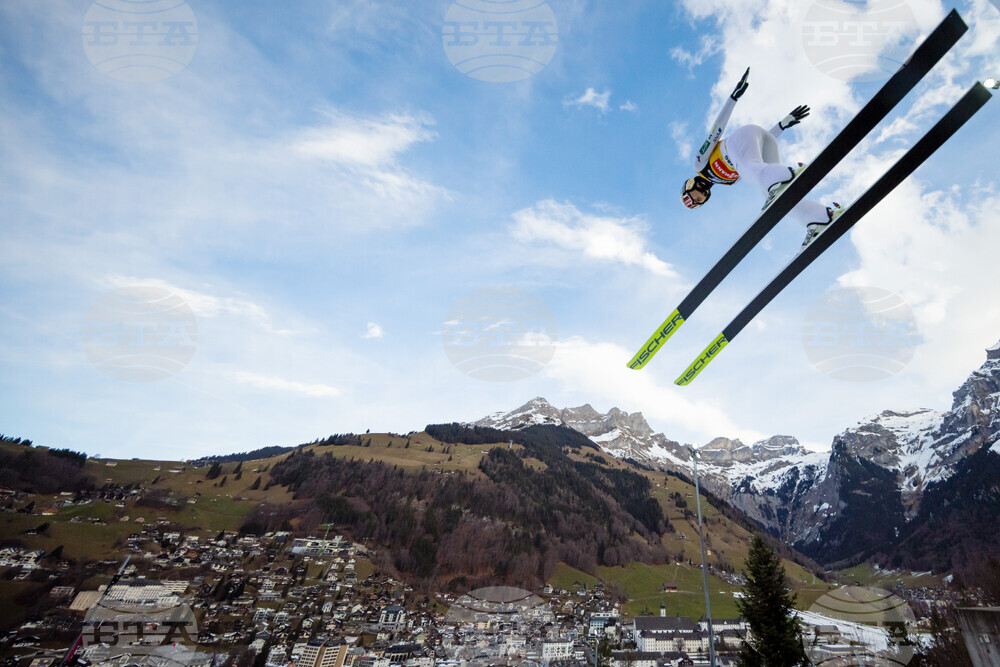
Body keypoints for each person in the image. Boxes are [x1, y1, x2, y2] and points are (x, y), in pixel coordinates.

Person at [681, 67, 842, 249]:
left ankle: (790, 172)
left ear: (689, 186)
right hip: (764, 140)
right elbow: (755, 154)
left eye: (695, 195)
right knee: (777, 197)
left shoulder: (700, 164)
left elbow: (715, 132)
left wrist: (733, 98)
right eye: (700, 200)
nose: (700, 195)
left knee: (752, 173)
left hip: (739, 138)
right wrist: (782, 125)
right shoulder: (728, 182)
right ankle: (821, 219)